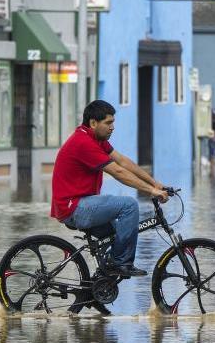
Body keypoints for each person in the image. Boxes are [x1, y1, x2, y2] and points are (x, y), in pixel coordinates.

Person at [50, 100, 169, 278]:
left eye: (113, 122)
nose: (112, 127)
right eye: (108, 123)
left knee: (119, 232)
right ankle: (120, 263)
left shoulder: (96, 139)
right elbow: (117, 171)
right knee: (129, 205)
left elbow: (122, 161)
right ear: (93, 123)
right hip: (75, 207)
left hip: (81, 203)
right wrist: (151, 191)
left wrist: (154, 183)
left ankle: (101, 281)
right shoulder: (83, 143)